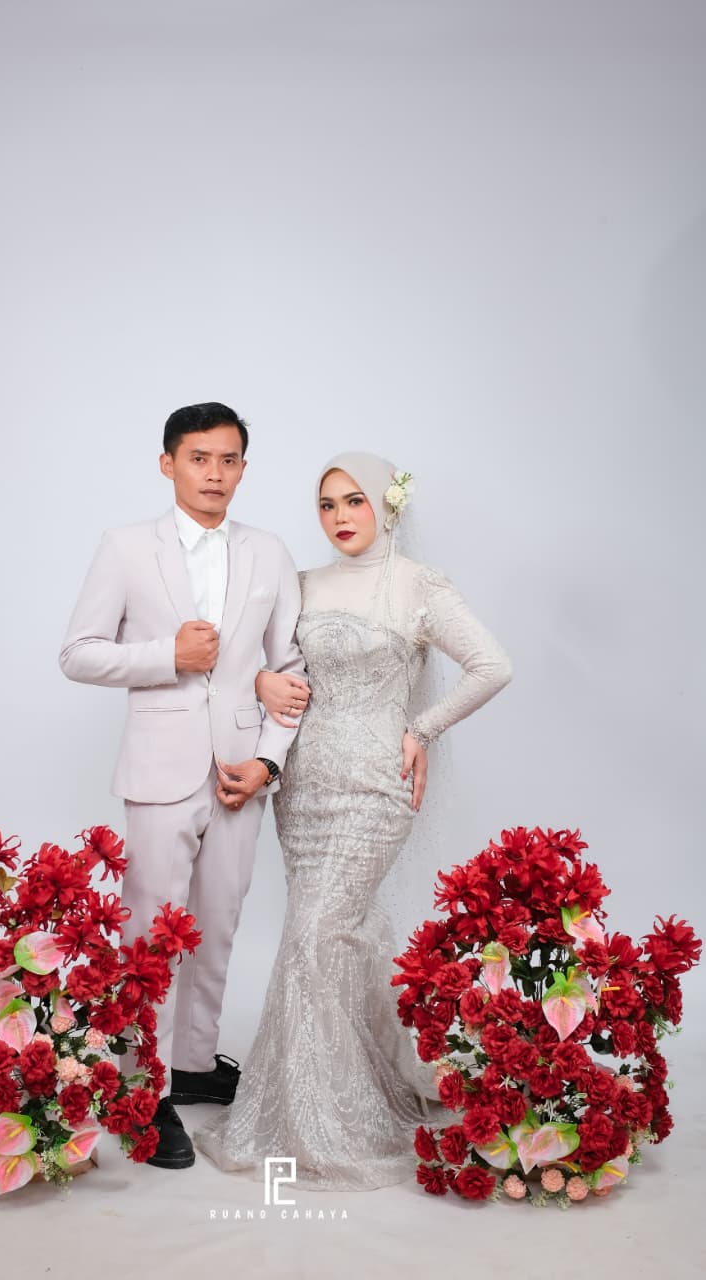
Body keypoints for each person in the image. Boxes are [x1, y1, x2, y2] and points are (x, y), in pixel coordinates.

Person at [195, 451, 512, 1190]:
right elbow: (250, 658)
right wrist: (261, 678)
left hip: (374, 786)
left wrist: (422, 728)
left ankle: (323, 1120)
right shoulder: (304, 585)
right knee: (328, 936)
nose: (339, 516)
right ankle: (347, 1088)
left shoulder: (417, 586)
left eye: (354, 501)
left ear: (385, 505)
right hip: (302, 789)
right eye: (326, 504)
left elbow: (492, 665)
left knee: (315, 933)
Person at [58, 402, 307, 1169]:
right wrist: (166, 655)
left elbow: (289, 669)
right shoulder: (126, 546)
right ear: (168, 463)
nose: (214, 473)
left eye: (229, 460)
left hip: (238, 770)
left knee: (217, 923)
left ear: (243, 468)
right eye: (199, 458)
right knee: (152, 930)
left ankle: (193, 1064)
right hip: (159, 767)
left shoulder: (268, 551)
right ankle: (143, 1087)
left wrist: (267, 762)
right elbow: (78, 652)